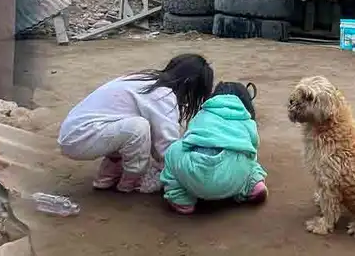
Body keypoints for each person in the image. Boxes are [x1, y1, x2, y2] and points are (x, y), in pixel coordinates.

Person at [57, 53, 215, 193]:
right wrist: (190, 171)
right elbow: (166, 146)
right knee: (138, 128)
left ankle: (106, 178)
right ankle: (130, 183)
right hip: (81, 137)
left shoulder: (144, 80)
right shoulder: (163, 95)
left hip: (76, 131)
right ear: (190, 85)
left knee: (132, 129)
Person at [160, 81, 268, 215]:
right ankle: (253, 185)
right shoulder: (247, 120)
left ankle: (181, 199)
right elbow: (253, 148)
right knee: (248, 158)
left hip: (195, 177)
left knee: (174, 149)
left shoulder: (202, 113)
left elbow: (189, 140)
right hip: (233, 177)